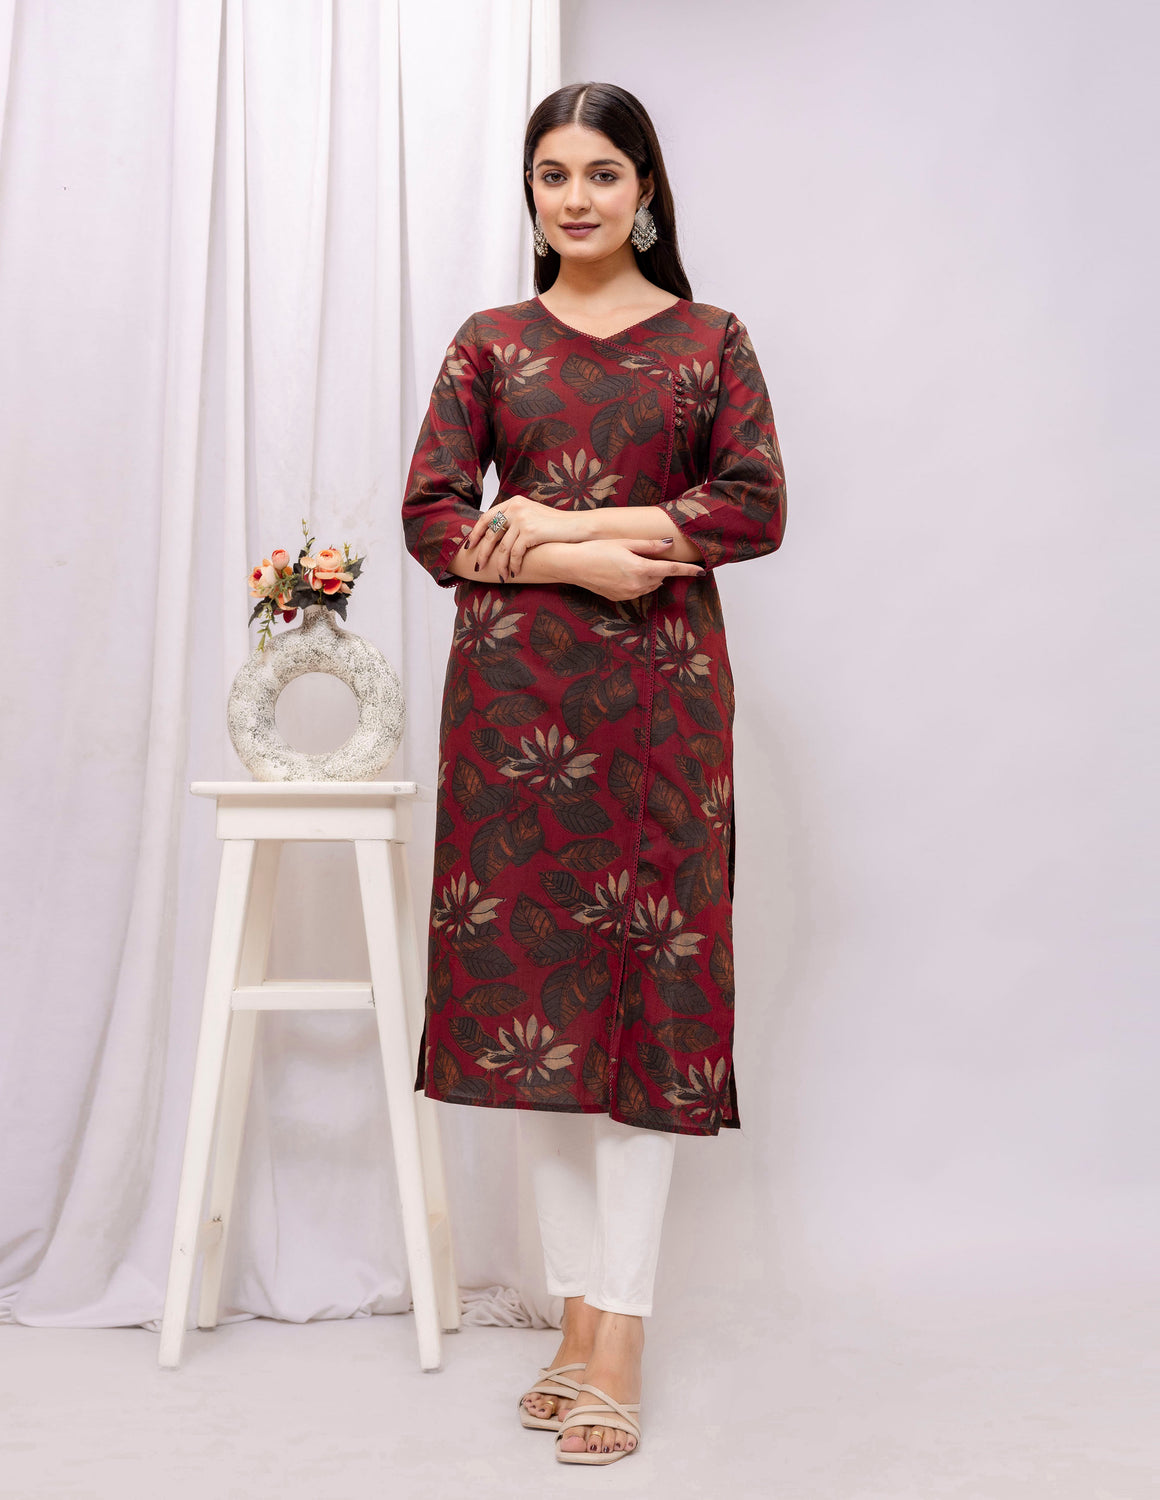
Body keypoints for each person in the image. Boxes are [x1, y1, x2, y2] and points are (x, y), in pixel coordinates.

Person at [401, 80, 787, 1466]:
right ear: (532, 192)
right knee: (541, 1018)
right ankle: (576, 1320)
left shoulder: (709, 340)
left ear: (647, 191)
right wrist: (582, 558)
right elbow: (433, 516)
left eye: (603, 174)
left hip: (660, 715)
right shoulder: (490, 344)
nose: (577, 197)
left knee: (646, 1016)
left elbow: (754, 505)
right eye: (554, 174)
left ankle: (619, 1330)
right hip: (513, 721)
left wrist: (564, 521)